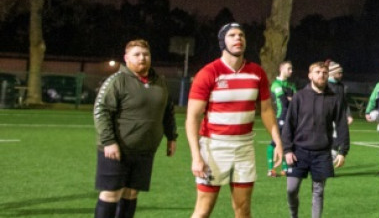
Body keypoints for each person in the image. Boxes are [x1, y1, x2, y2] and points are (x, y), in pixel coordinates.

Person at [186, 22, 283, 218]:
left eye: (241, 35)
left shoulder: (257, 72)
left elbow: (265, 110)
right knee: (203, 211)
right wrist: (196, 156)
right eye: (232, 35)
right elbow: (192, 118)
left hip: (244, 149)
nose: (238, 38)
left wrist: (278, 141)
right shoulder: (208, 73)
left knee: (243, 210)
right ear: (223, 42)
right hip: (214, 147)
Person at [93, 39, 177, 218]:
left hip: (145, 150)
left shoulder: (160, 82)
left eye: (146, 54)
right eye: (137, 55)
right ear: (127, 58)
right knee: (111, 193)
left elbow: (168, 111)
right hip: (117, 150)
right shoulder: (117, 80)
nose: (142, 58)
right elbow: (101, 111)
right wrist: (109, 142)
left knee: (131, 193)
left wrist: (172, 137)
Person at [281, 61, 349, 218]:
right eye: (317, 72)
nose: (321, 75)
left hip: (322, 153)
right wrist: (287, 149)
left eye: (324, 73)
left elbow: (341, 125)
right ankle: (294, 215)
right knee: (291, 190)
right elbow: (289, 125)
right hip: (299, 151)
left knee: (318, 192)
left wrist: (342, 151)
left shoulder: (334, 98)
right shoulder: (299, 97)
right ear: (310, 75)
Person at [268, 60, 296, 176]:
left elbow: (297, 101)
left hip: (293, 117)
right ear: (281, 69)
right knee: (275, 142)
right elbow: (284, 102)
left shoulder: (291, 85)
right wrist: (290, 98)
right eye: (288, 69)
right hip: (281, 117)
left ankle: (285, 168)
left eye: (291, 69)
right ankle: (271, 169)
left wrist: (291, 99)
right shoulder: (276, 84)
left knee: (289, 142)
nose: (291, 71)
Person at [326, 61, 353, 126]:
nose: (341, 75)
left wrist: (348, 115)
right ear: (332, 73)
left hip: (339, 119)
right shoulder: (324, 85)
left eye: (341, 73)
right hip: (326, 119)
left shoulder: (341, 86)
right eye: (339, 73)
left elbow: (344, 102)